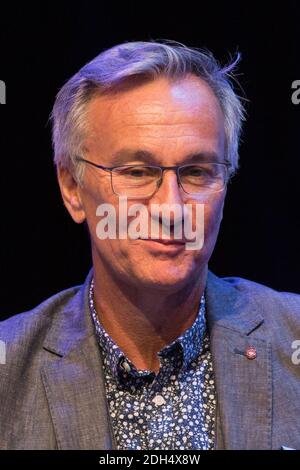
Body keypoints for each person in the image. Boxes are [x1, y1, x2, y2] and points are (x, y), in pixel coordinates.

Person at [0, 40, 299, 450]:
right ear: (72, 187)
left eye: (197, 172)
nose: (172, 208)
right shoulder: (8, 371)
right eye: (138, 172)